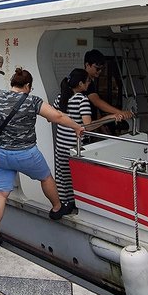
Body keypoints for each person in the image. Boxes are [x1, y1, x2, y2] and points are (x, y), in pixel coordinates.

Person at [0, 67, 85, 249]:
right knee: (45, 177)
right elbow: (56, 116)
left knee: (0, 193)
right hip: (25, 153)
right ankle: (56, 208)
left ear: (12, 84)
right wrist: (76, 127)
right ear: (28, 85)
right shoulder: (33, 101)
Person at [54, 68, 93, 214]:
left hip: (60, 144)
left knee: (63, 176)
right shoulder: (82, 100)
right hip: (74, 146)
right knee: (77, 177)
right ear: (81, 84)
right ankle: (77, 205)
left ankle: (66, 203)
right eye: (88, 81)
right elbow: (87, 126)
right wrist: (109, 118)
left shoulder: (60, 98)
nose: (89, 84)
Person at [65, 49, 133, 122]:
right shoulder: (86, 85)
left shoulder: (90, 83)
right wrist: (120, 112)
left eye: (102, 68)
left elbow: (94, 106)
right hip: (82, 127)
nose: (100, 71)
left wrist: (102, 127)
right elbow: (96, 102)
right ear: (87, 65)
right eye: (97, 68)